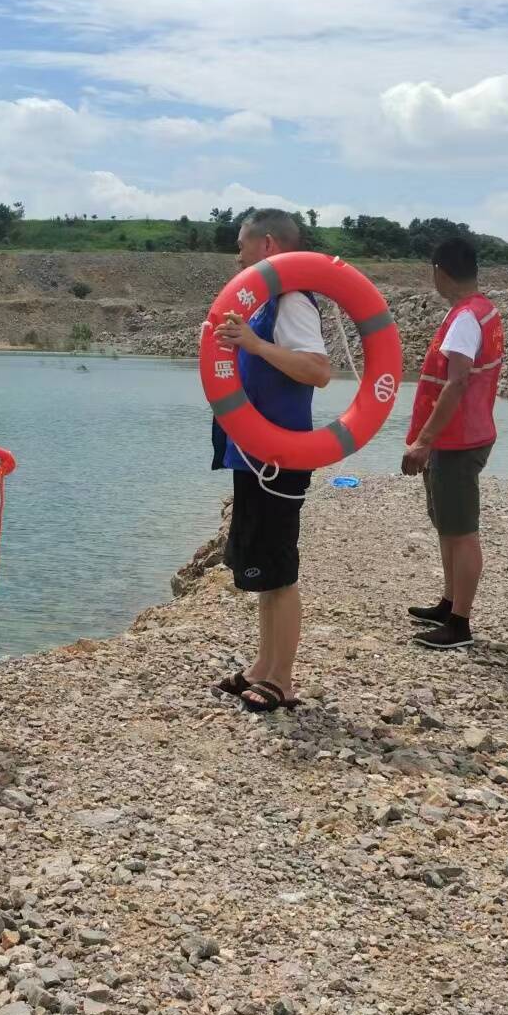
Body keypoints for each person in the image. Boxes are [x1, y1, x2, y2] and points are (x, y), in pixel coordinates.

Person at [210, 208, 333, 712]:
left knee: (280, 572)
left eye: (241, 243)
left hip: (279, 458)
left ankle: (282, 680)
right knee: (263, 569)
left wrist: (256, 345)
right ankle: (263, 666)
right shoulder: (264, 303)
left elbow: (318, 370)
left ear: (266, 245)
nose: (237, 254)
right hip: (253, 456)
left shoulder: (292, 301)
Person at [400, 236, 504, 650]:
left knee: (462, 531)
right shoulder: (482, 310)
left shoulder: (464, 319)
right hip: (466, 433)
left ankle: (460, 623)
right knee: (448, 524)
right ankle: (449, 603)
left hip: (457, 439)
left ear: (439, 272)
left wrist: (423, 441)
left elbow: (457, 382)